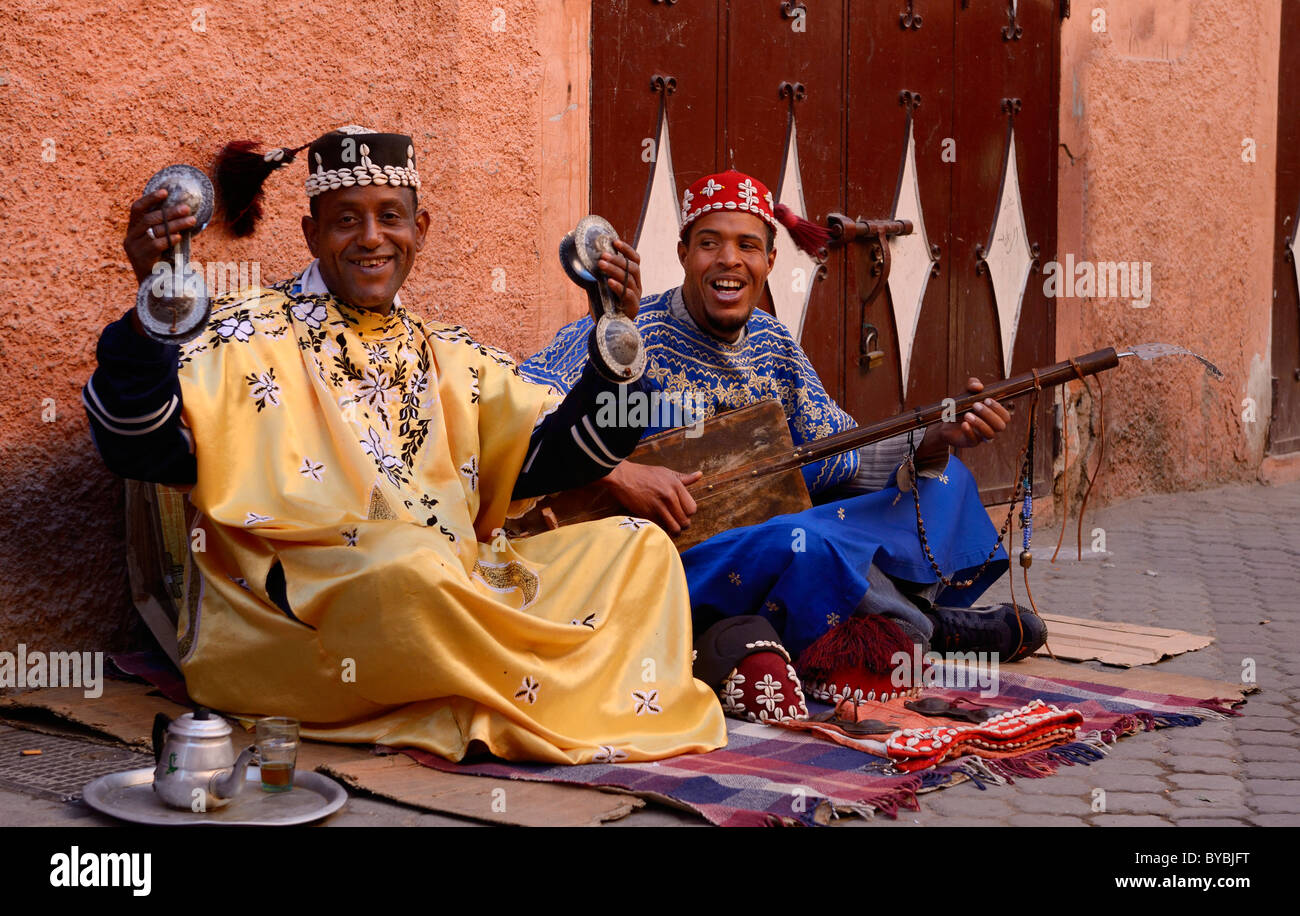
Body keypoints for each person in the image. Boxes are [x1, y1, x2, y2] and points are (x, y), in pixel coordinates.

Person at [82, 126, 726, 764]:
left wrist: (617, 336)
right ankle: (525, 694)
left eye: (391, 217)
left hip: (457, 584)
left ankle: (497, 692)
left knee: (637, 550)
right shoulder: (246, 332)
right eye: (345, 220)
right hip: (309, 616)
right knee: (411, 567)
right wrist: (153, 312)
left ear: (422, 229)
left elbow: (562, 456)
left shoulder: (450, 353)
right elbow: (138, 446)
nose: (371, 238)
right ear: (311, 234)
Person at [521, 170, 1047, 719]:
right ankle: (925, 628)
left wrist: (935, 440)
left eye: (748, 245)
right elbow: (522, 405)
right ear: (681, 253)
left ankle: (894, 619)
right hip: (670, 559)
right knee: (803, 539)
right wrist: (619, 472)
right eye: (709, 243)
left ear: (770, 261)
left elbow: (840, 457)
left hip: (767, 533)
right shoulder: (627, 331)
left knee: (942, 480)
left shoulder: (774, 344)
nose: (729, 260)